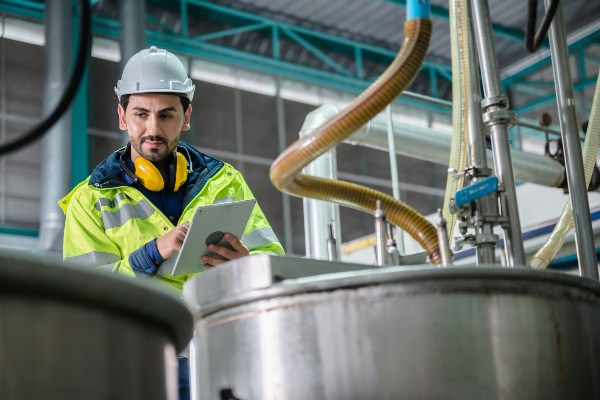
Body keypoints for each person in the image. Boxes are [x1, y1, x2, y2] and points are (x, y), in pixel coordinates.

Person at [59, 46, 285, 400]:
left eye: (166, 115)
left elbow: (274, 266)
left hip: (220, 355)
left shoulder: (225, 183)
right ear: (122, 116)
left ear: (187, 116)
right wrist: (149, 253)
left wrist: (249, 267)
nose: (153, 128)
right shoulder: (91, 200)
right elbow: (83, 295)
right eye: (140, 114)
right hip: (135, 362)